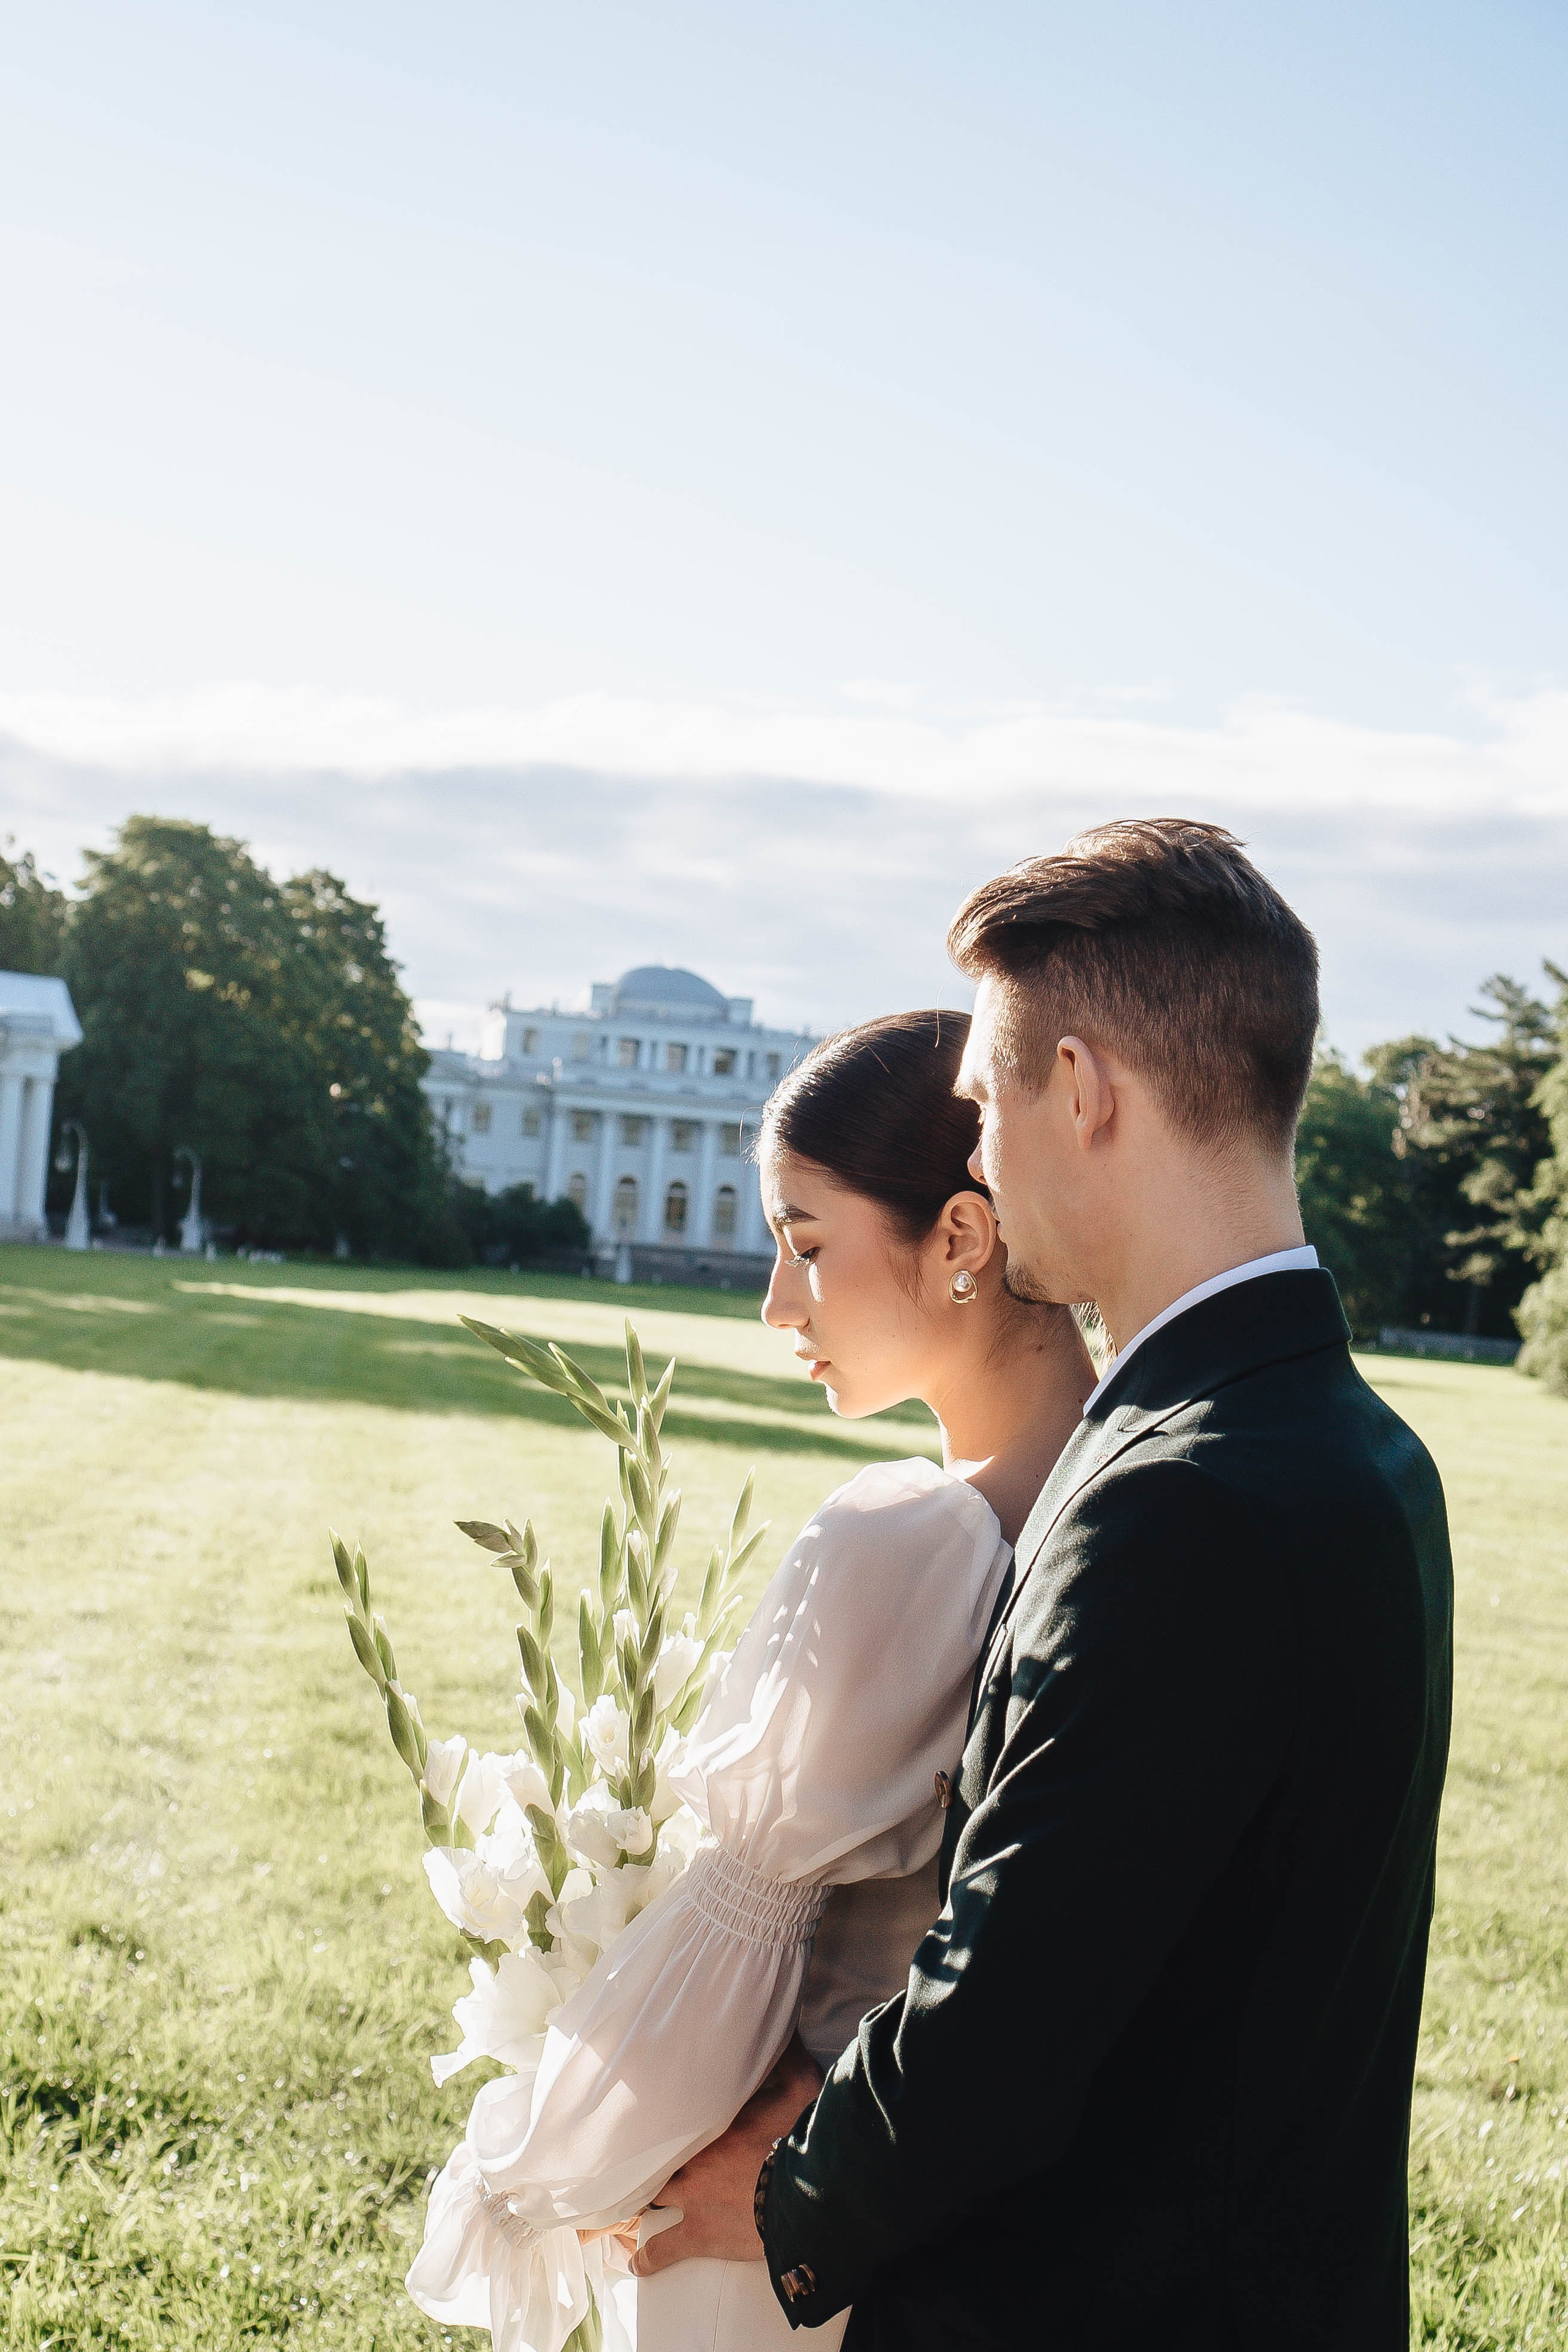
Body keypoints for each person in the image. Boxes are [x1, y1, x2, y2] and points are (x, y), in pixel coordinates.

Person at [635, 819, 1454, 2351]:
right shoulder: (1360, 1448)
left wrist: (791, 2189)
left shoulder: (1177, 1499)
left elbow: (1009, 2007)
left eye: (984, 1106)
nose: (984, 1165)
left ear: (1076, 1092)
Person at [405, 1008, 1095, 2352]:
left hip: (760, 2187)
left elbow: (735, 1941)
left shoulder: (903, 1535)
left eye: (807, 1243)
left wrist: (538, 2169)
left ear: (958, 1237)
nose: (776, 1303)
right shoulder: (1109, 1505)